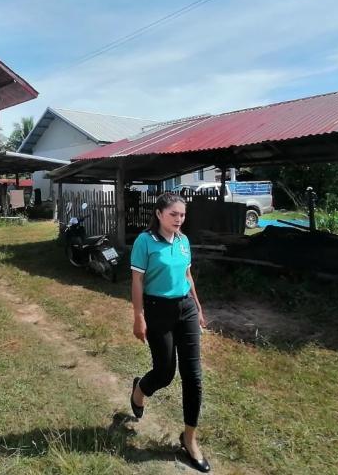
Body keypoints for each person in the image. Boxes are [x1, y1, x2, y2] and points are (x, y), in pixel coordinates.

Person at [129, 193, 210, 473]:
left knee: (193, 377)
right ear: (159, 214)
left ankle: (189, 439)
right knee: (164, 373)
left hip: (185, 308)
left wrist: (198, 307)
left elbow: (187, 276)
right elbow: (137, 281)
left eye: (182, 215)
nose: (179, 219)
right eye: (173, 214)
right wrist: (138, 316)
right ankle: (139, 391)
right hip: (157, 309)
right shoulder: (145, 242)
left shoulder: (183, 241)